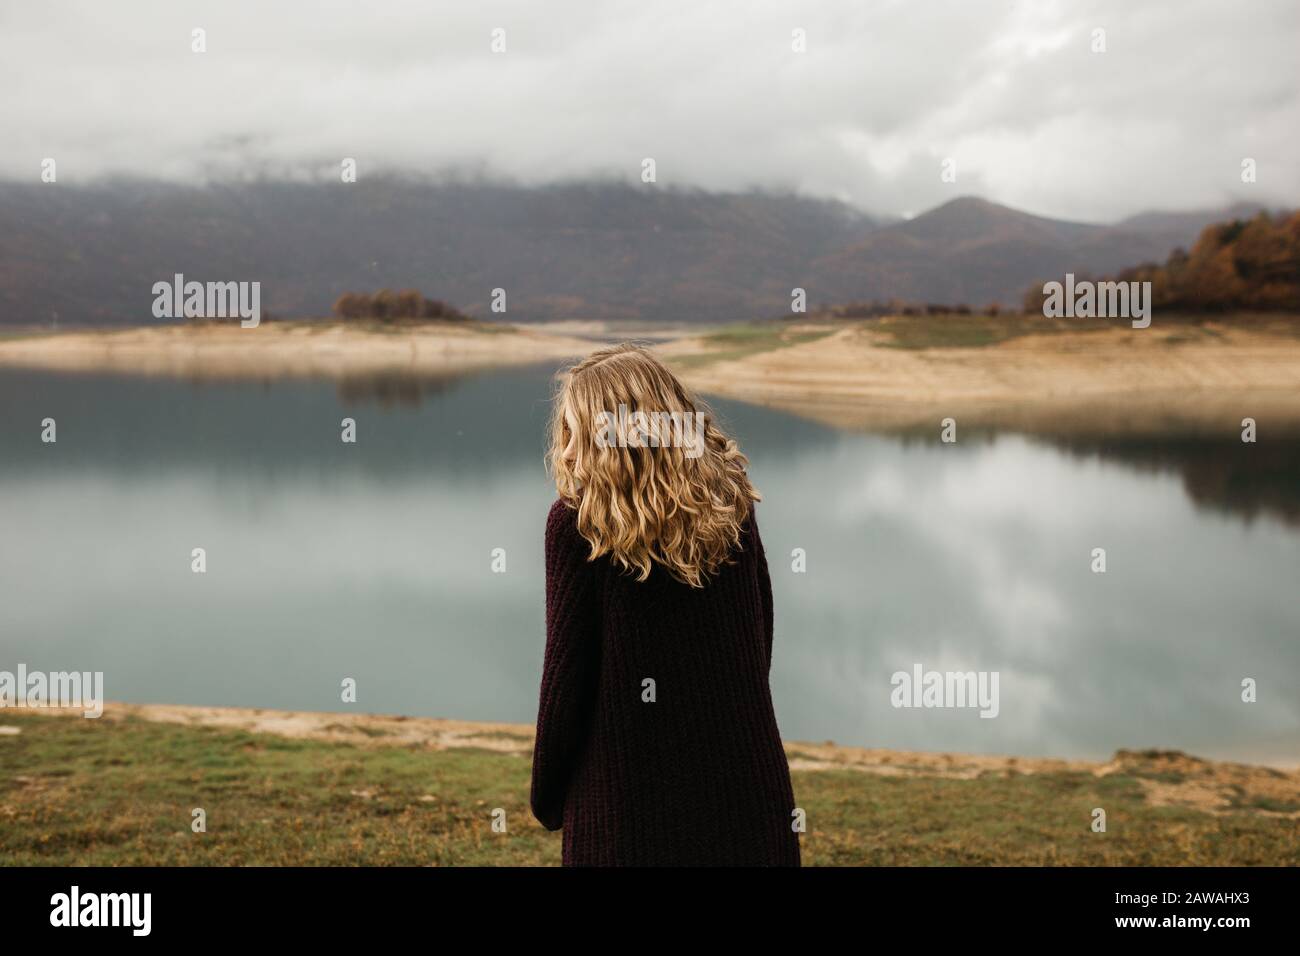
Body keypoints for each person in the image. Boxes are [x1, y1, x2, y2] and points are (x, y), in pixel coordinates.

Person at [530, 343, 800, 866]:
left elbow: (566, 682)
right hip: (748, 793)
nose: (565, 449)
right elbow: (757, 639)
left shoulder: (578, 526)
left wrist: (547, 794)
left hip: (625, 814)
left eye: (572, 431)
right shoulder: (730, 505)